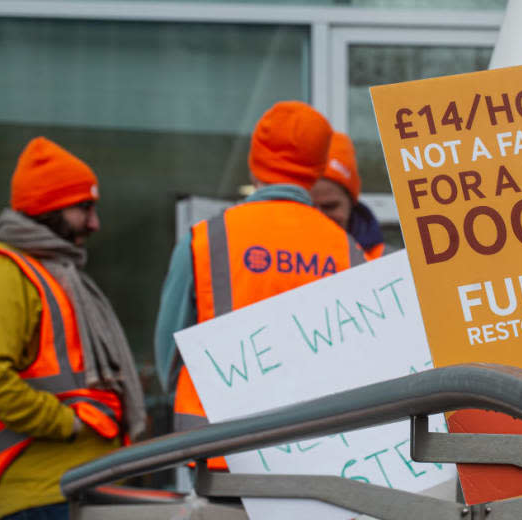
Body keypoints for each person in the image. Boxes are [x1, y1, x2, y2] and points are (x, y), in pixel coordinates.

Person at [0, 137, 146, 520]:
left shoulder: (56, 273)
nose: (94, 224)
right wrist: (67, 423)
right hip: (44, 497)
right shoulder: (2, 272)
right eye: (84, 208)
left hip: (69, 491)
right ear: (50, 207)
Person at [154, 100, 365, 456]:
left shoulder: (206, 240)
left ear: (254, 167)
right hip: (317, 455)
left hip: (218, 451)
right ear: (316, 173)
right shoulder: (348, 250)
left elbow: (169, 358)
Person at [310, 131, 391, 260]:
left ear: (351, 203)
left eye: (330, 206)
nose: (320, 216)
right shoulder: (276, 258)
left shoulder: (389, 262)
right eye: (309, 206)